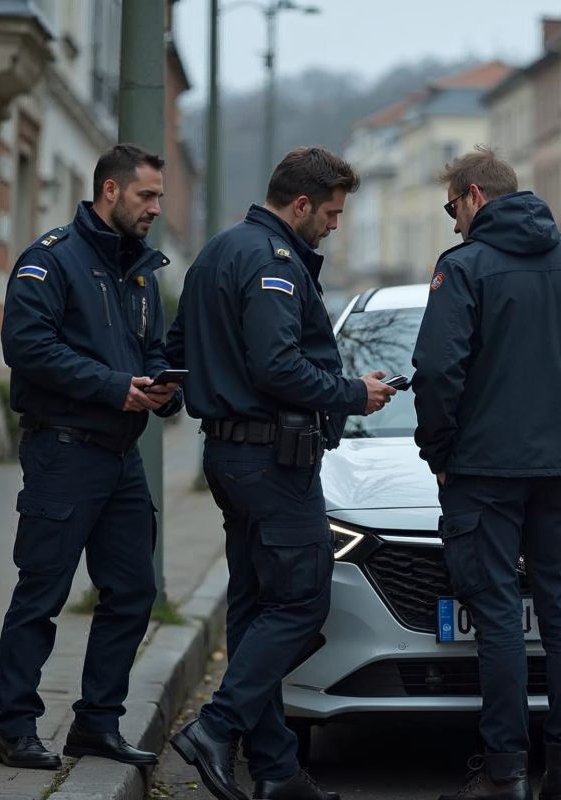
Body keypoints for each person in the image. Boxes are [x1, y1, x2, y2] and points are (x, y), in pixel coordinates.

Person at [164, 147, 396, 800]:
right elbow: (275, 365)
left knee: (254, 607)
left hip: (232, 455)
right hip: (271, 459)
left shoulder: (216, 251)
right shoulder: (272, 262)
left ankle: (274, 770)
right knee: (300, 600)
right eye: (329, 212)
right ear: (299, 205)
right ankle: (218, 727)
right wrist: (355, 392)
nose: (333, 225)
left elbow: (178, 350)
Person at [412, 147, 561, 800]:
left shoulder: (465, 267)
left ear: (475, 196)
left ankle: (505, 770)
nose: (452, 222)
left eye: (453, 207)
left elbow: (436, 372)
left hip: (482, 471)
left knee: (499, 614)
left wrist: (442, 453)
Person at [0, 143, 183, 770]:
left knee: (133, 590)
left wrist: (160, 383)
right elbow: (26, 345)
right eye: (146, 196)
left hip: (122, 459)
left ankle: (97, 724)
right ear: (110, 191)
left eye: (158, 196)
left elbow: (151, 347)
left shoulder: (140, 271)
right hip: (63, 452)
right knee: (41, 593)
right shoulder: (50, 262)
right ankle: (15, 729)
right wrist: (111, 385)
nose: (156, 207)